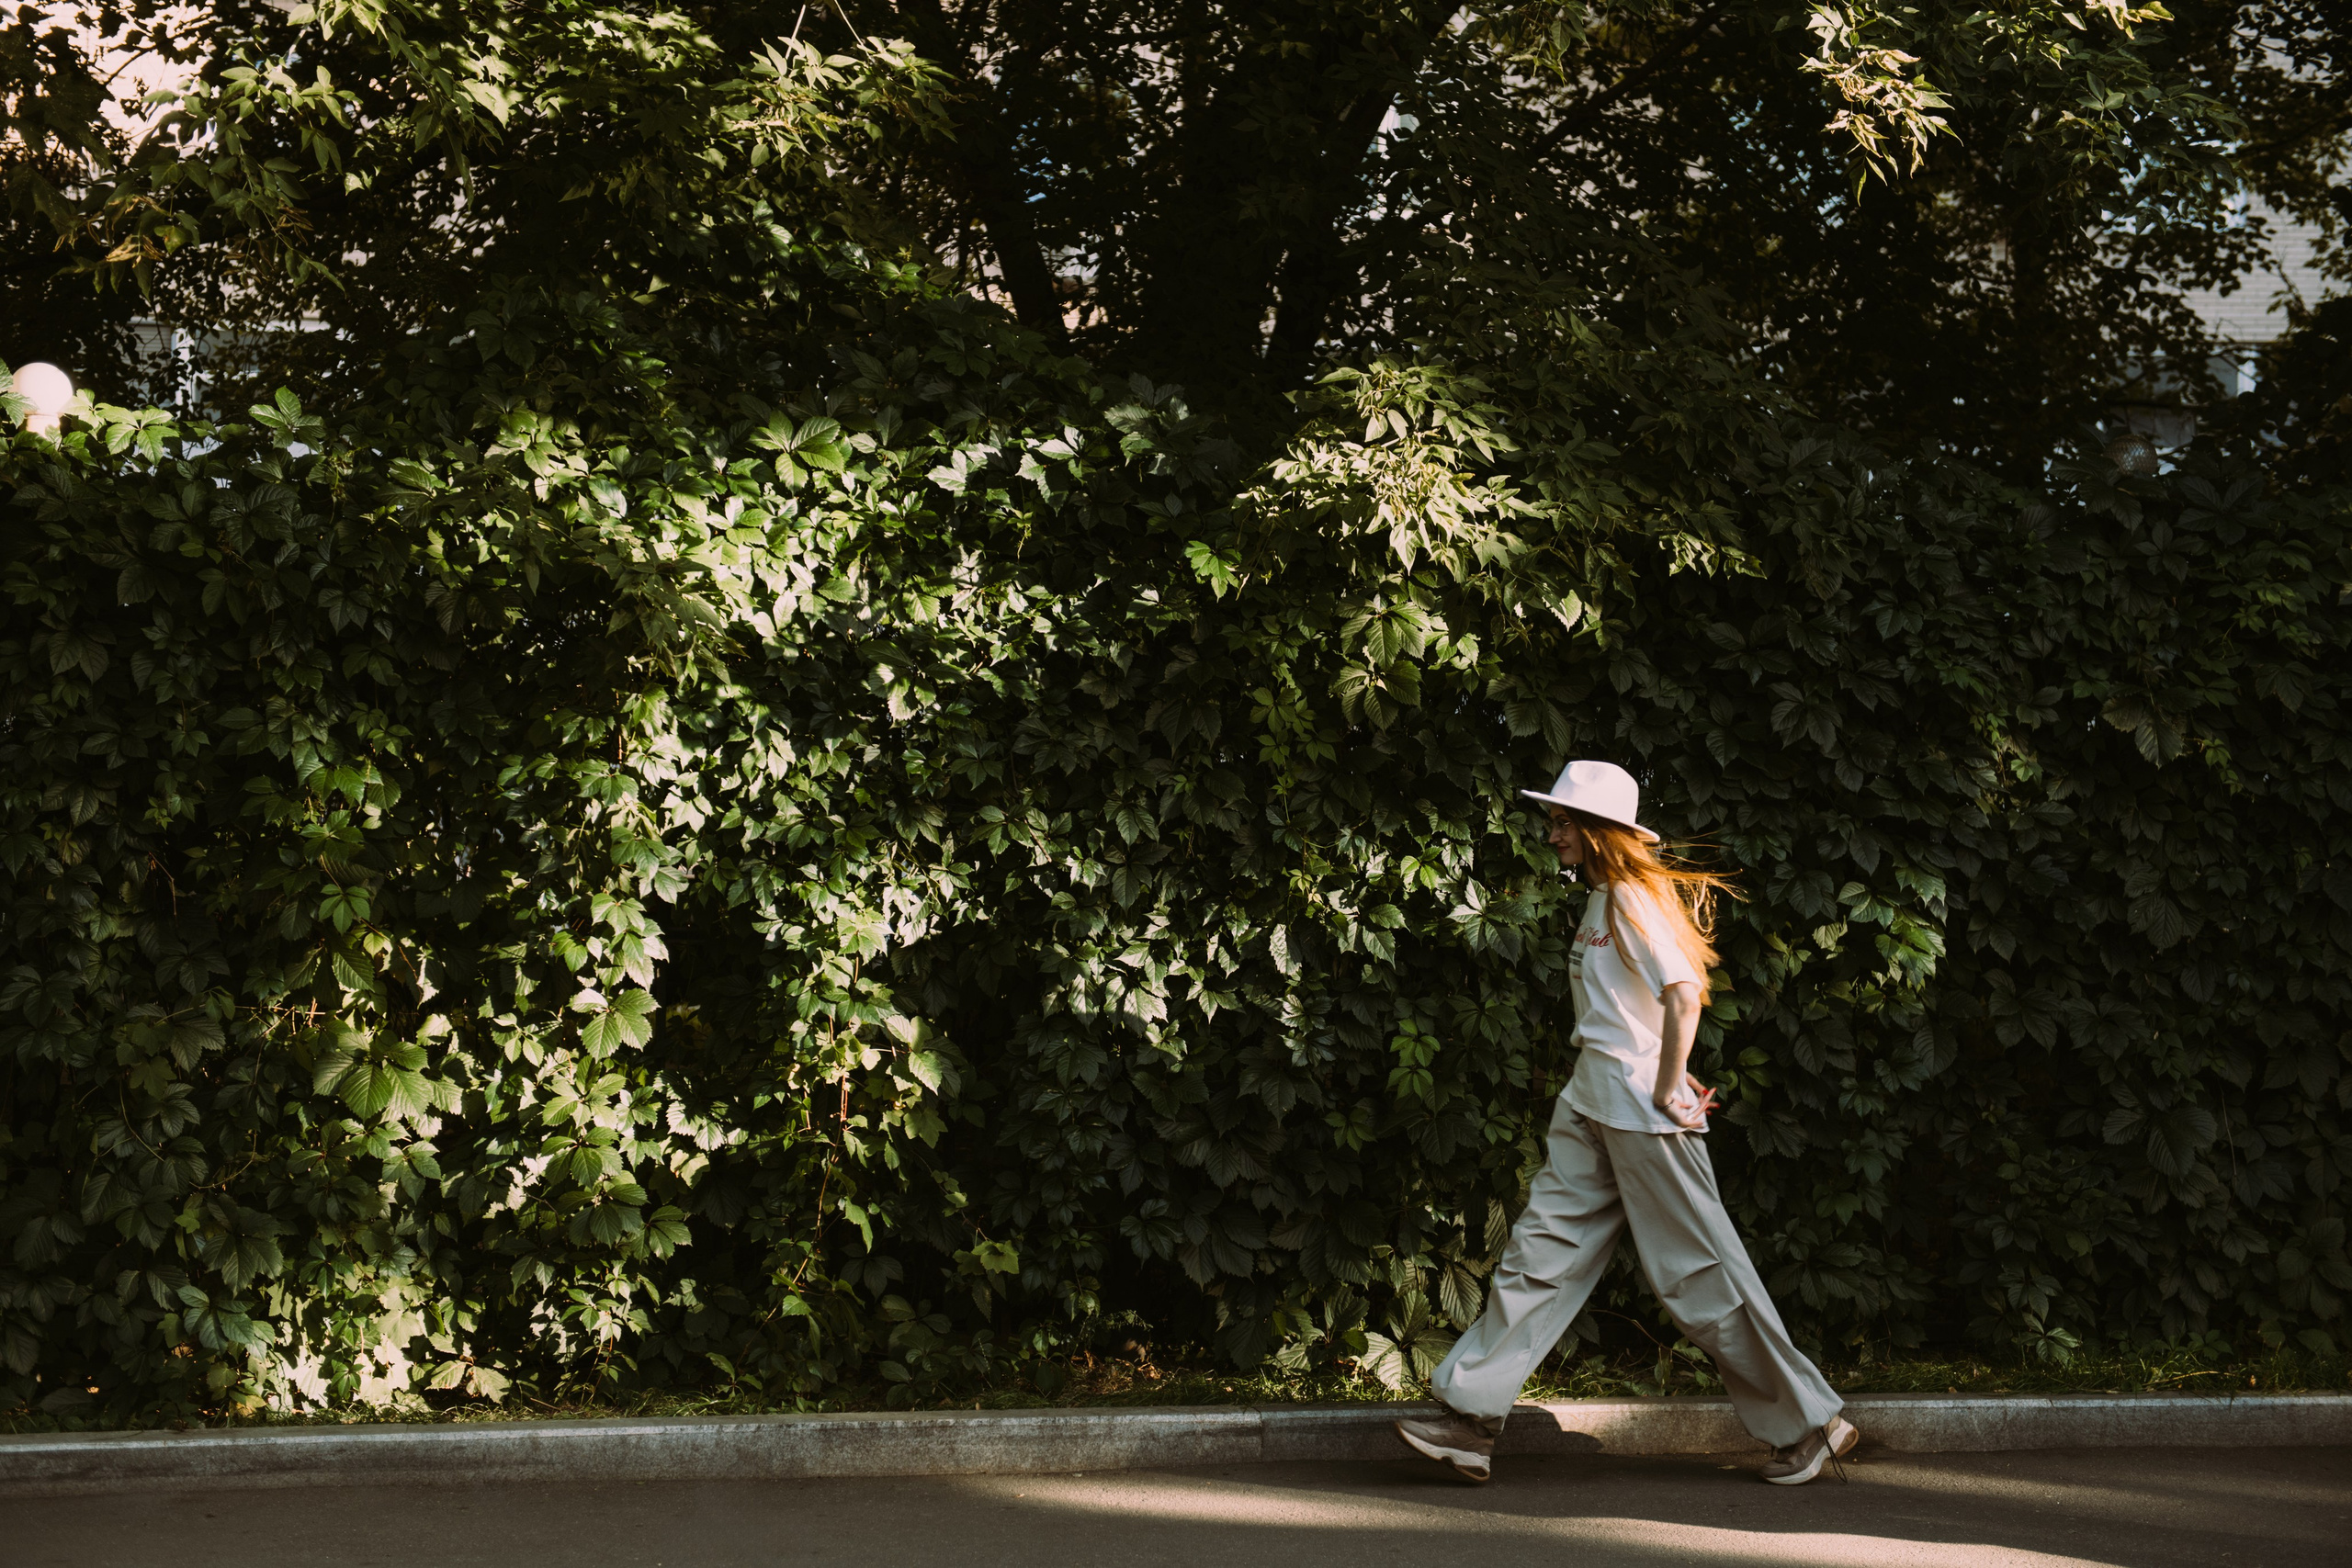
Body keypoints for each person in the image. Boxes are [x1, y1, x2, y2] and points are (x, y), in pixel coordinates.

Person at [1393, 760, 1857, 1486]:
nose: (1551, 834)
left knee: (1701, 1277)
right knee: (1537, 1256)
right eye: (1552, 820)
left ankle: (1809, 1422)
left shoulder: (1634, 897)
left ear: (1599, 831)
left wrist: (1671, 1085)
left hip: (1642, 1110)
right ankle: (1470, 1422)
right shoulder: (1602, 899)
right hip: (1590, 1101)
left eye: (1562, 822)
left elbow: (1684, 991)